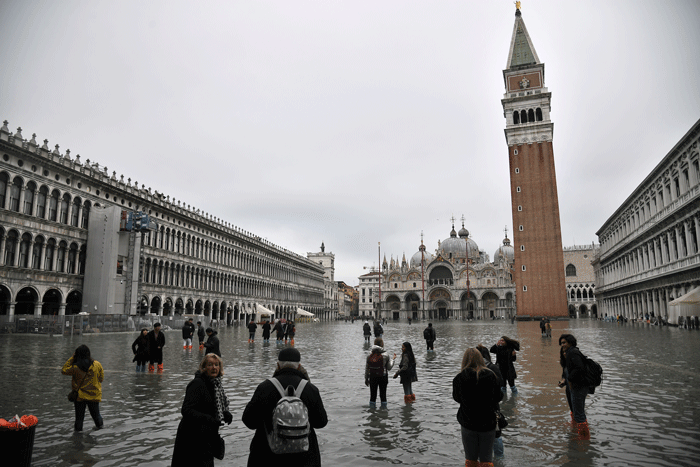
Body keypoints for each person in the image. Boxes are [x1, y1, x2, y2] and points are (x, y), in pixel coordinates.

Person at [242, 348, 328, 467]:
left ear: (278, 365)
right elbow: (321, 422)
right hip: (304, 458)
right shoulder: (310, 389)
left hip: (266, 456)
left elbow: (249, 421)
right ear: (299, 367)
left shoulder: (264, 387)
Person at [171, 354, 232, 467]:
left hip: (207, 438)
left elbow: (216, 406)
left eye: (216, 365)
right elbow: (186, 410)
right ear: (203, 368)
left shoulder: (217, 384)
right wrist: (208, 419)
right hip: (192, 439)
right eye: (210, 365)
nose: (214, 368)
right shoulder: (197, 384)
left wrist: (225, 413)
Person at [452, 348, 503, 467]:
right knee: (486, 459)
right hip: (487, 423)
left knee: (470, 459)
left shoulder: (459, 378)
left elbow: (456, 398)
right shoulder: (491, 376)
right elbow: (499, 397)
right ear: (481, 359)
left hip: (468, 422)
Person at [62, 344, 104, 431]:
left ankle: (77, 438)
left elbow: (64, 370)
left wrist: (72, 358)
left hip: (79, 397)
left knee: (79, 419)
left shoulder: (75, 367)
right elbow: (101, 379)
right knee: (96, 416)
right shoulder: (97, 364)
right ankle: (100, 432)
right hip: (94, 395)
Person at [559, 334, 592, 439]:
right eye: (561, 343)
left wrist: (570, 379)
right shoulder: (567, 354)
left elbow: (579, 369)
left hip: (578, 386)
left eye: (564, 342)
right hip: (571, 387)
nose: (562, 345)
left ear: (570, 342)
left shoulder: (573, 352)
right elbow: (567, 370)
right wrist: (564, 380)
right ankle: (575, 428)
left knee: (579, 414)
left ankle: (584, 439)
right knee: (574, 410)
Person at [477, 345, 505, 458]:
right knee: (496, 434)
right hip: (492, 407)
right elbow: (501, 388)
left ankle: (483, 458)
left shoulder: (471, 369)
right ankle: (499, 458)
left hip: (477, 408)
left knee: (481, 435)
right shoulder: (493, 367)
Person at [365, 337, 395, 409]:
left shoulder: (369, 354)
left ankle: (372, 414)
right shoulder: (385, 354)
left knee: (372, 396)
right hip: (383, 376)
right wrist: (393, 360)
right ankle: (384, 413)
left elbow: (367, 368)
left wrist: (366, 378)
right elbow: (389, 367)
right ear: (382, 344)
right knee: (383, 395)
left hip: (372, 376)